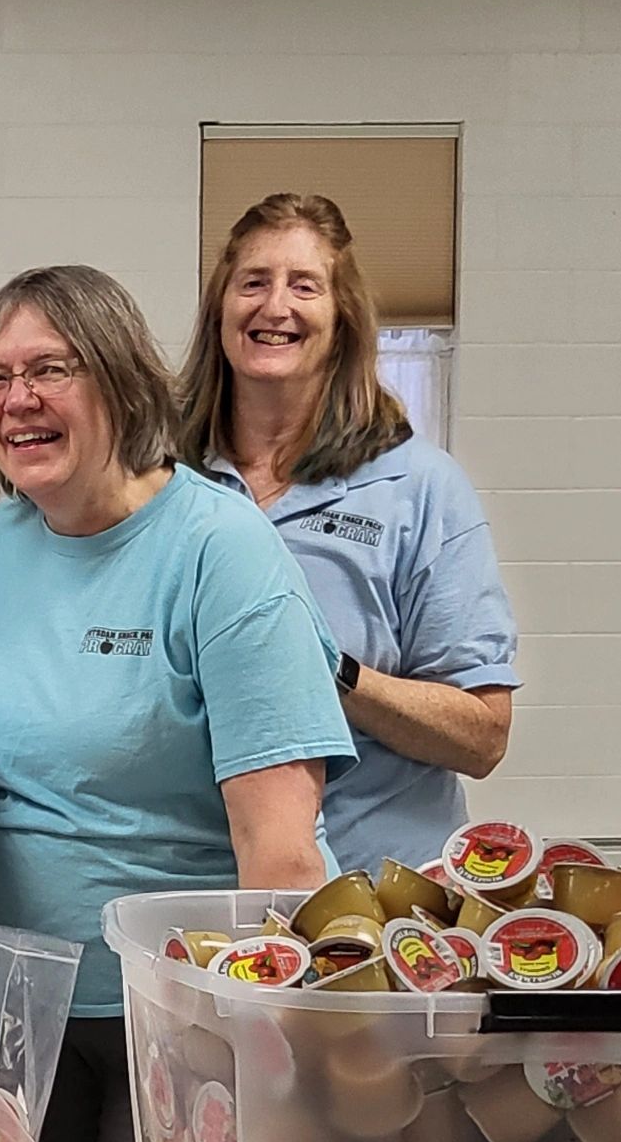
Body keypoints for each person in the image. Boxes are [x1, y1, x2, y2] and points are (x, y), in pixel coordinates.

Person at [0, 266, 354, 1142]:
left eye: (49, 369)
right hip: (6, 1004)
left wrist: (276, 1055)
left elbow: (279, 852)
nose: (16, 400)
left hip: (170, 1006)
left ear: (120, 379)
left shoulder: (218, 549)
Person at [180, 192, 517, 873]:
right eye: (253, 281)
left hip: (380, 901)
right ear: (220, 307)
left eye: (303, 285)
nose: (274, 306)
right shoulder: (161, 480)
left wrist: (331, 674)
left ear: (342, 320)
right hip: (200, 892)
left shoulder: (419, 488)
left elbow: (481, 736)